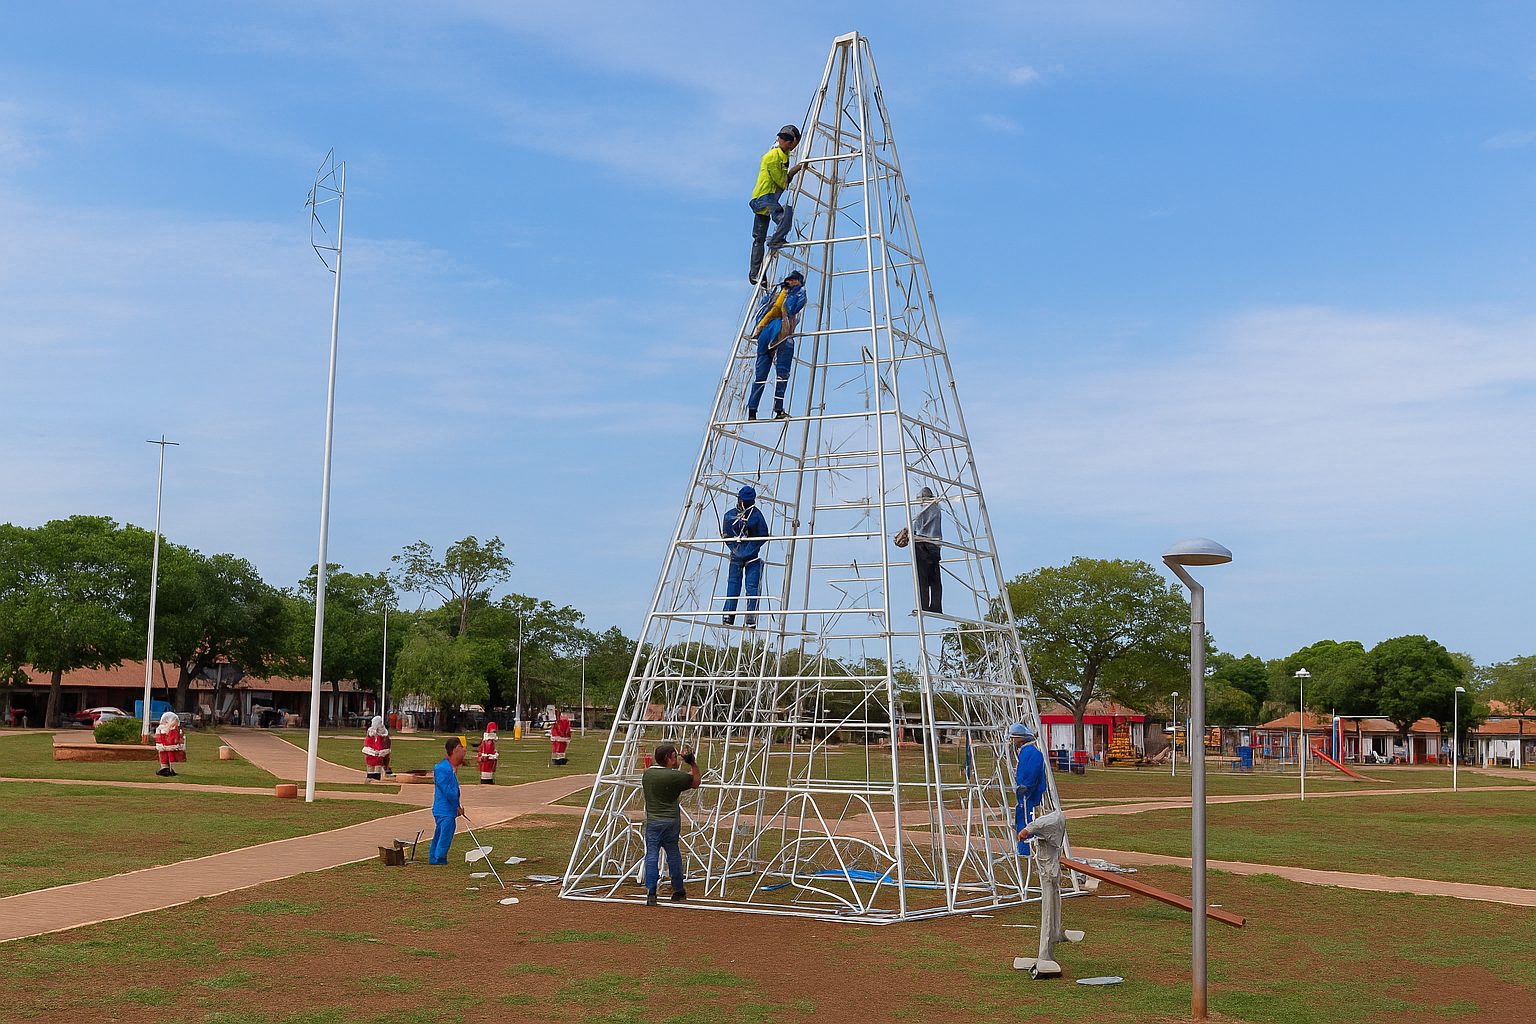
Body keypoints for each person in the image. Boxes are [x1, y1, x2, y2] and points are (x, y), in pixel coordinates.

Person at [642, 742, 701, 906]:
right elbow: (695, 781)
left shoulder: (647, 775)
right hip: (671, 821)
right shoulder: (675, 776)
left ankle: (651, 892)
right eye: (675, 757)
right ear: (668, 758)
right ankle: (678, 889)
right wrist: (692, 763)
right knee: (673, 853)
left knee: (652, 855)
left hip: (653, 822)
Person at [746, 270, 807, 421]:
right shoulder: (775, 295)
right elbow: (764, 312)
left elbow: (791, 309)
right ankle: (754, 410)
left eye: (794, 280)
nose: (791, 282)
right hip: (773, 334)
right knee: (766, 374)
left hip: (777, 335)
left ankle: (775, 409)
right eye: (790, 280)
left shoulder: (794, 294)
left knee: (779, 374)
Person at [749, 125, 803, 284]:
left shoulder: (783, 154)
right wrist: (793, 171)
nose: (782, 141)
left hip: (767, 200)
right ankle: (776, 240)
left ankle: (756, 274)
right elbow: (781, 181)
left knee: (759, 238)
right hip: (763, 200)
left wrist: (791, 172)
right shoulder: (773, 156)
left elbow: (782, 180)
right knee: (782, 214)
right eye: (782, 139)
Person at [721, 485, 769, 628]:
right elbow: (726, 535)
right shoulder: (730, 516)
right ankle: (729, 614)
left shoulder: (756, 516)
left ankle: (750, 617)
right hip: (736, 555)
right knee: (733, 584)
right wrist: (736, 548)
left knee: (752, 586)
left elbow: (763, 535)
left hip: (752, 556)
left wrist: (749, 548)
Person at [429, 737, 467, 864]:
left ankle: (435, 856)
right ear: (456, 749)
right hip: (444, 809)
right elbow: (447, 790)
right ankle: (438, 858)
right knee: (445, 834)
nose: (464, 751)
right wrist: (457, 805)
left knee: (440, 832)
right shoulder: (442, 768)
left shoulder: (449, 768)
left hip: (447, 809)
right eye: (461, 748)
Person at [1011, 723, 1047, 854]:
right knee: (1023, 819)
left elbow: (1030, 775)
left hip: (1028, 794)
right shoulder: (1027, 752)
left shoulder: (1030, 752)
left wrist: (1024, 788)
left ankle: (1026, 849)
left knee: (1027, 821)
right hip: (1026, 793)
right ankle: (1023, 847)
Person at [910, 486, 943, 613]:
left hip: (922, 543)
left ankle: (923, 605)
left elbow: (917, 526)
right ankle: (936, 605)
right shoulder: (937, 510)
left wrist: (907, 533)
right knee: (935, 578)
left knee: (922, 577)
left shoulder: (925, 510)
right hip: (935, 545)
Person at [154, 711, 186, 777]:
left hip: (166, 745)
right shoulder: (173, 729)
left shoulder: (163, 728)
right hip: (168, 746)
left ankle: (167, 768)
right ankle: (168, 769)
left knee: (168, 755)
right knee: (169, 756)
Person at [362, 715, 392, 781]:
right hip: (371, 756)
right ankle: (370, 778)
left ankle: (377, 778)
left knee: (378, 767)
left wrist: (383, 752)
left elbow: (387, 746)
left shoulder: (384, 734)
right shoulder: (370, 734)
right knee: (371, 767)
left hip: (379, 757)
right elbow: (366, 747)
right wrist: (373, 752)